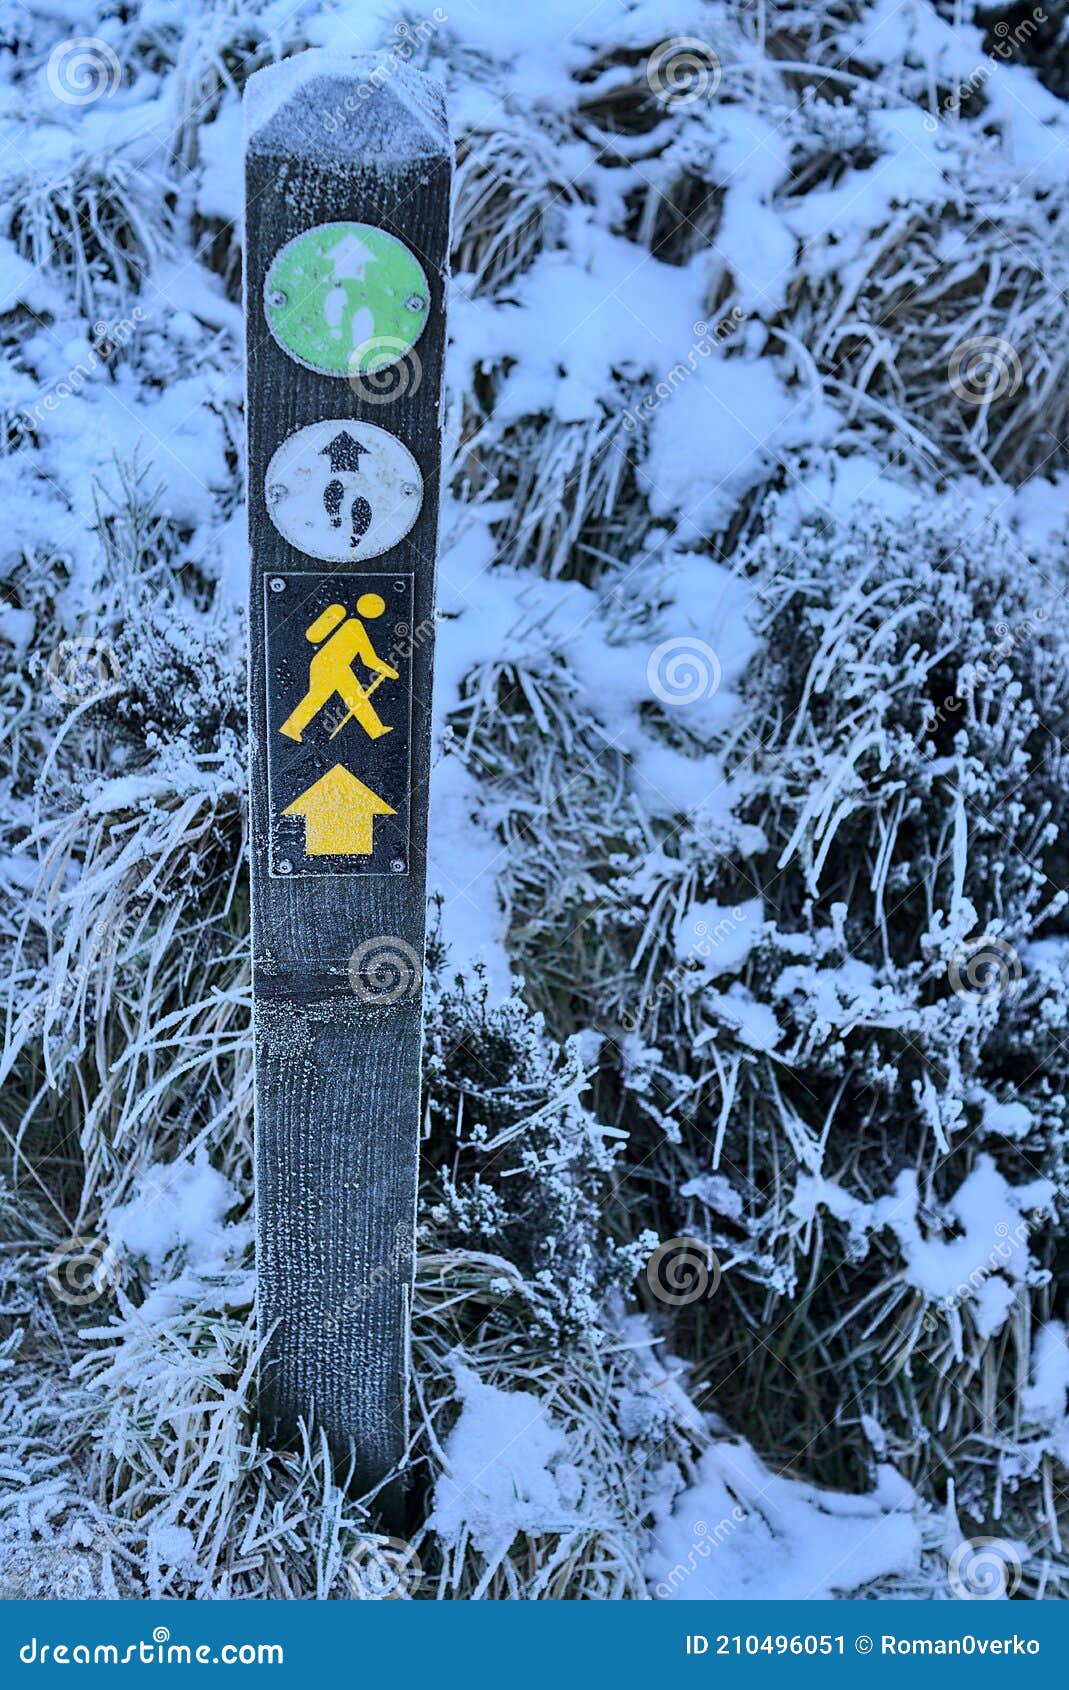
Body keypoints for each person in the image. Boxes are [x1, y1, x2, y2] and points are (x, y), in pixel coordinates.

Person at [279, 593, 398, 742]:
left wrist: (387, 670)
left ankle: (375, 729)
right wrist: (389, 671)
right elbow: (369, 659)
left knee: (350, 697)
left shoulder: (352, 624)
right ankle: (291, 729)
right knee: (322, 698)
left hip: (331, 665)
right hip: (330, 665)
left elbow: (368, 659)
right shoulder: (355, 626)